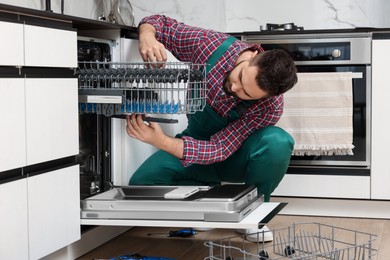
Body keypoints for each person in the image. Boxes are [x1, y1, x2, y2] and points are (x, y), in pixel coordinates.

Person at [125, 15, 297, 241]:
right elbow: (159, 22)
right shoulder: (210, 46)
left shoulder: (270, 107)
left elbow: (220, 148)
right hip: (195, 145)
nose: (235, 87)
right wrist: (147, 37)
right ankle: (206, 201)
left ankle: (253, 215)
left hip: (233, 158)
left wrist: (161, 140)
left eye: (246, 93)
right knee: (141, 184)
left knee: (277, 142)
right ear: (254, 55)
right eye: (241, 77)